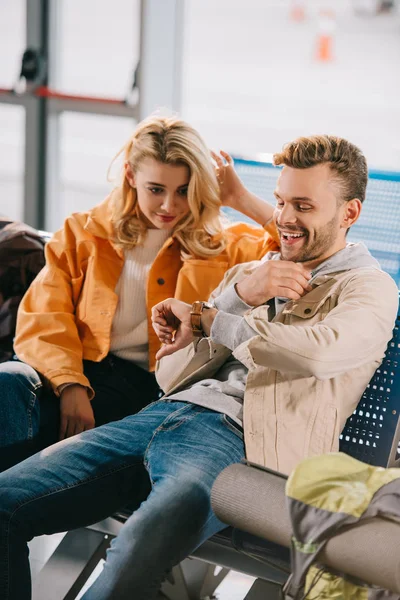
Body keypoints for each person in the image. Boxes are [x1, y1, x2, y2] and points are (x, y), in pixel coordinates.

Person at [0, 135, 398, 600]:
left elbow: (314, 353)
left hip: (238, 446)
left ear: (349, 213)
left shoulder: (368, 288)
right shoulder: (255, 274)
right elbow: (169, 375)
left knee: (137, 551)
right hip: (156, 418)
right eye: (281, 201)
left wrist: (211, 319)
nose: (285, 219)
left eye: (303, 206)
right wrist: (237, 297)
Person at [0, 115, 278, 472]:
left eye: (183, 191)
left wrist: (239, 197)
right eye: (156, 189)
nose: (169, 207)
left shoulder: (223, 247)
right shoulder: (83, 233)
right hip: (58, 371)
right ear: (131, 175)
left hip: (132, 390)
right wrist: (70, 385)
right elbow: (43, 318)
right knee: (8, 384)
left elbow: (313, 255)